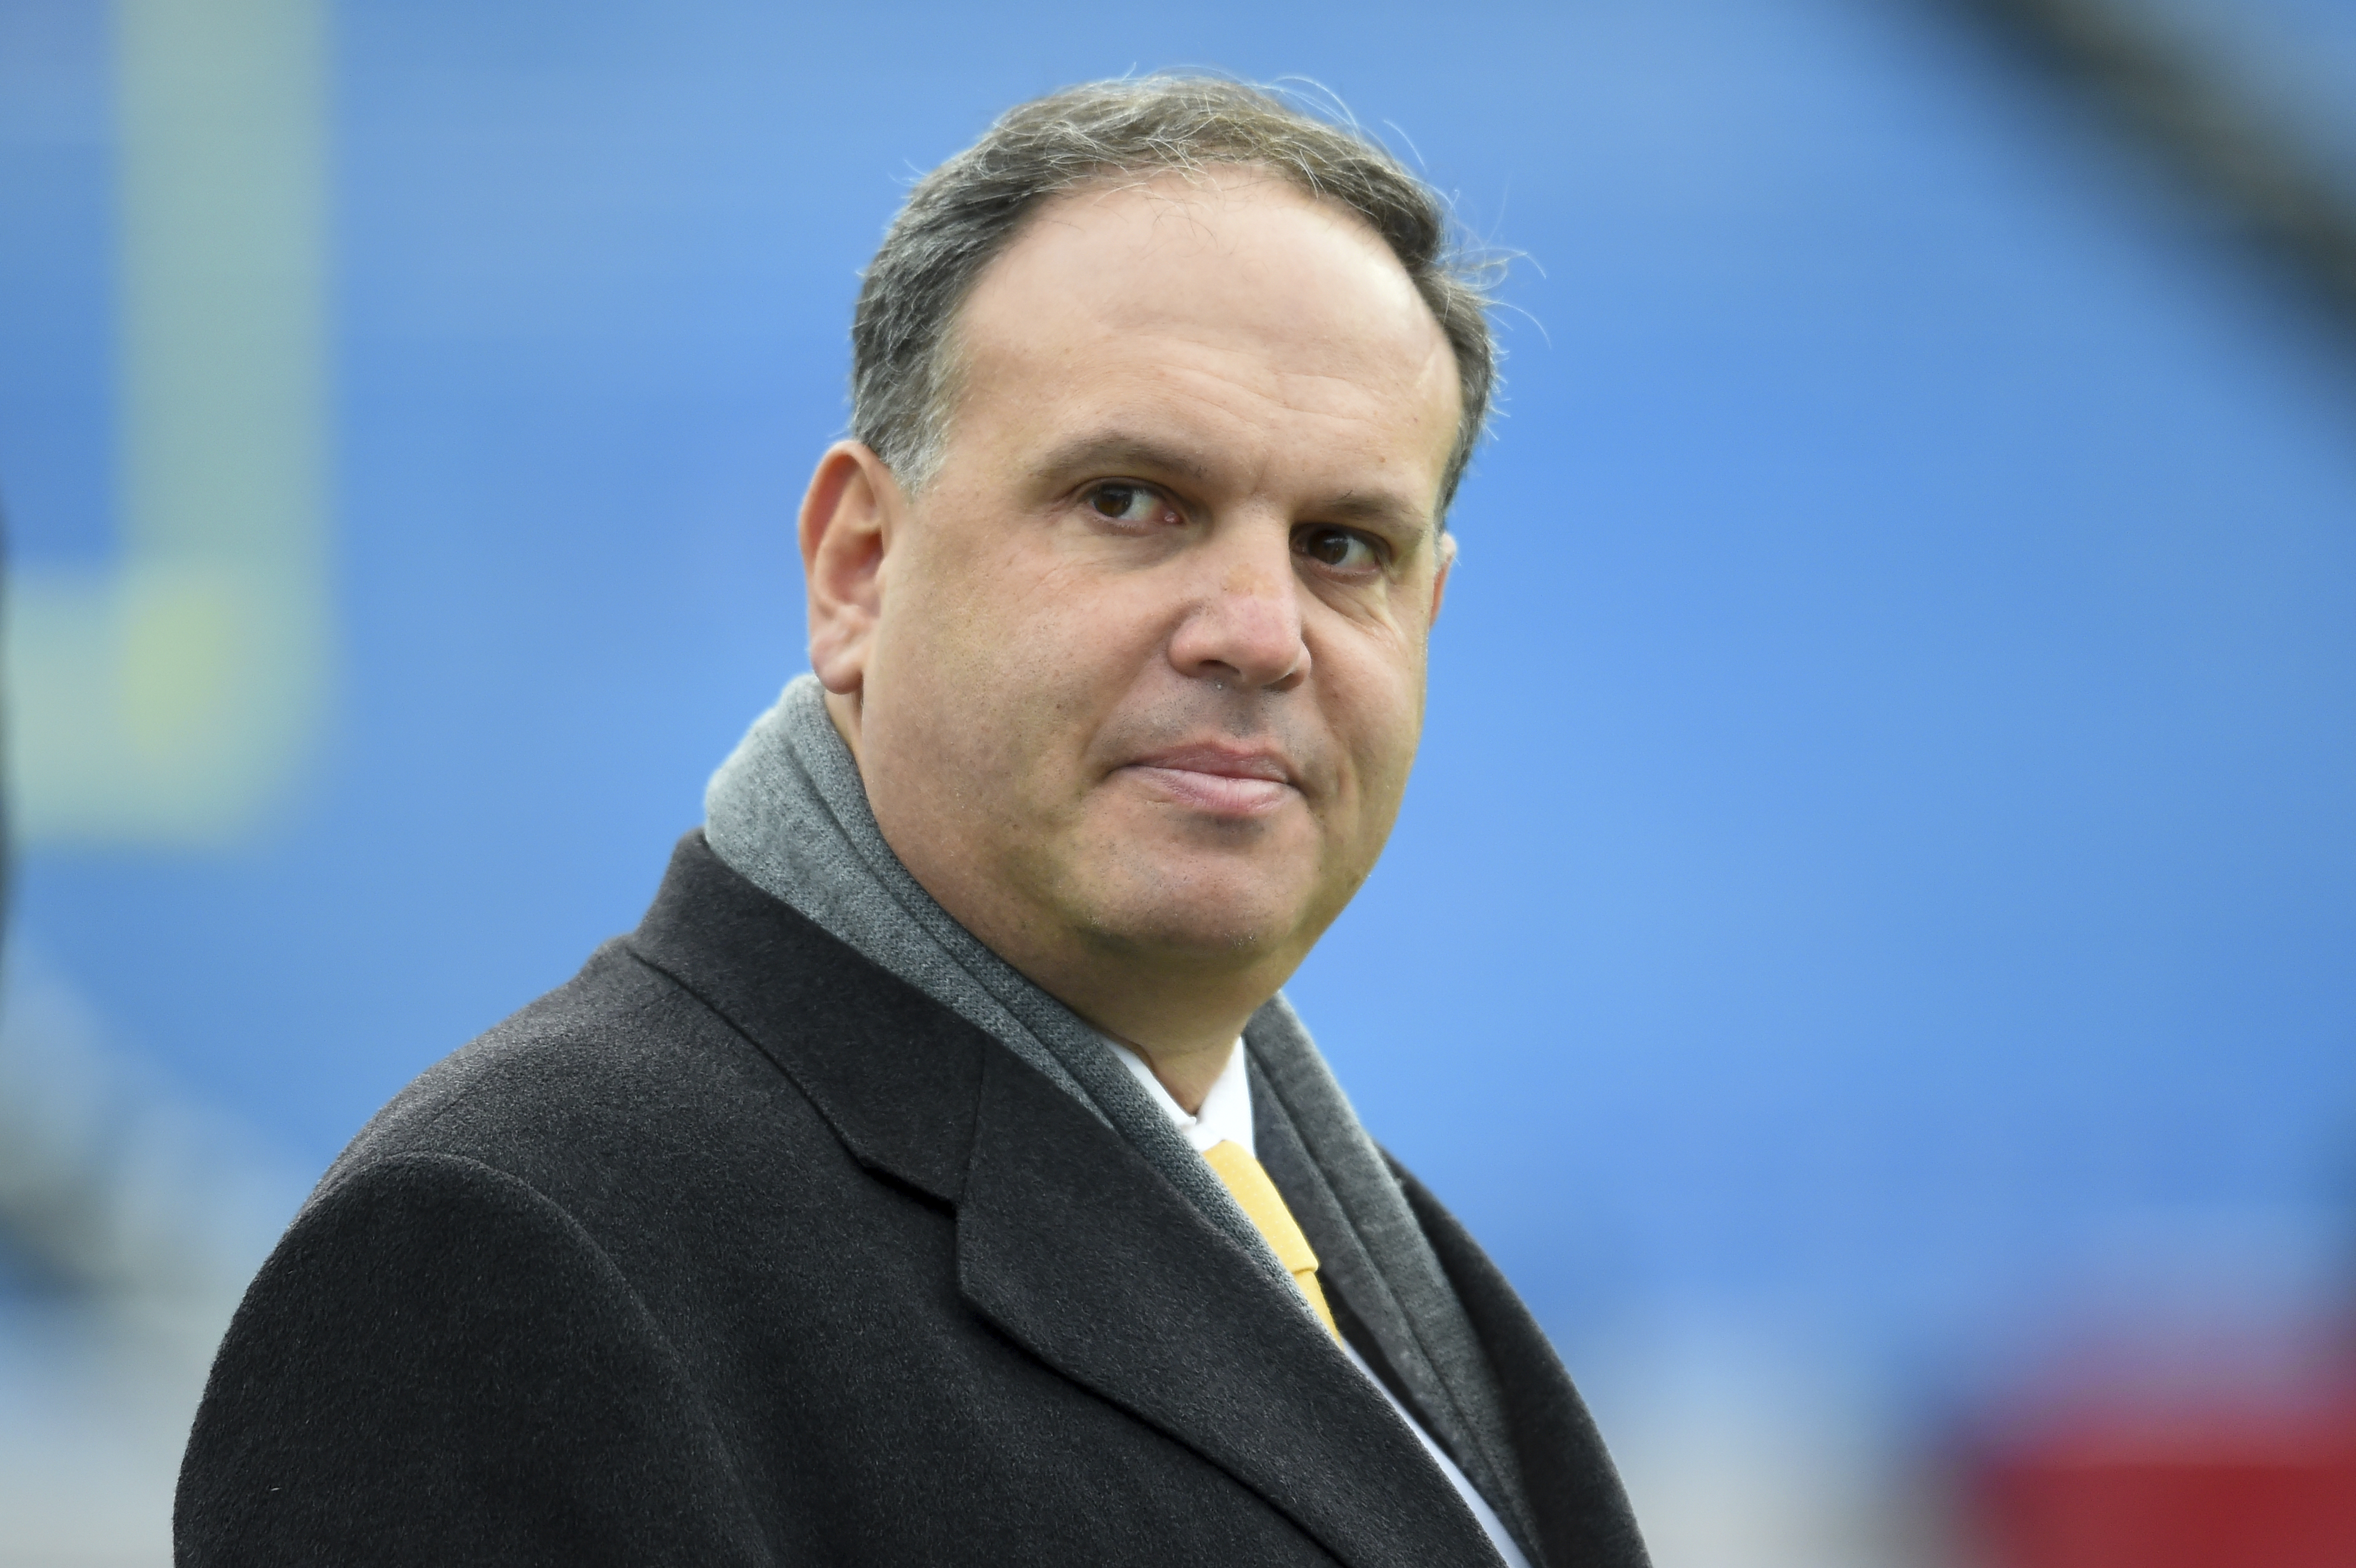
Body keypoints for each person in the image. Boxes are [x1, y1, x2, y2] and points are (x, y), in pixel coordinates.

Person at [175, 76, 1649, 1568]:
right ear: (858, 568)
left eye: (1342, 545)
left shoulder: (1350, 1242)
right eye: (1129, 500)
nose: (1260, 633)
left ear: (1426, 613)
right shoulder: (512, 1256)